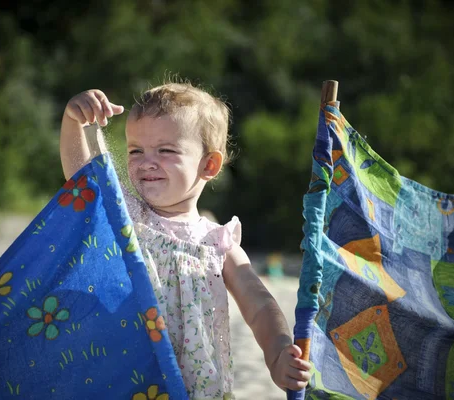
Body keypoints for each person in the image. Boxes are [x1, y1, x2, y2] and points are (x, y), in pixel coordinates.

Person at [59, 82, 311, 399]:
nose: (147, 161)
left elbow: (259, 305)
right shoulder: (128, 216)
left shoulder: (218, 242)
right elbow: (80, 178)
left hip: (195, 385)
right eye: (136, 150)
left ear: (209, 165)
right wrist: (73, 122)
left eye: (165, 150)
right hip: (128, 374)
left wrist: (277, 353)